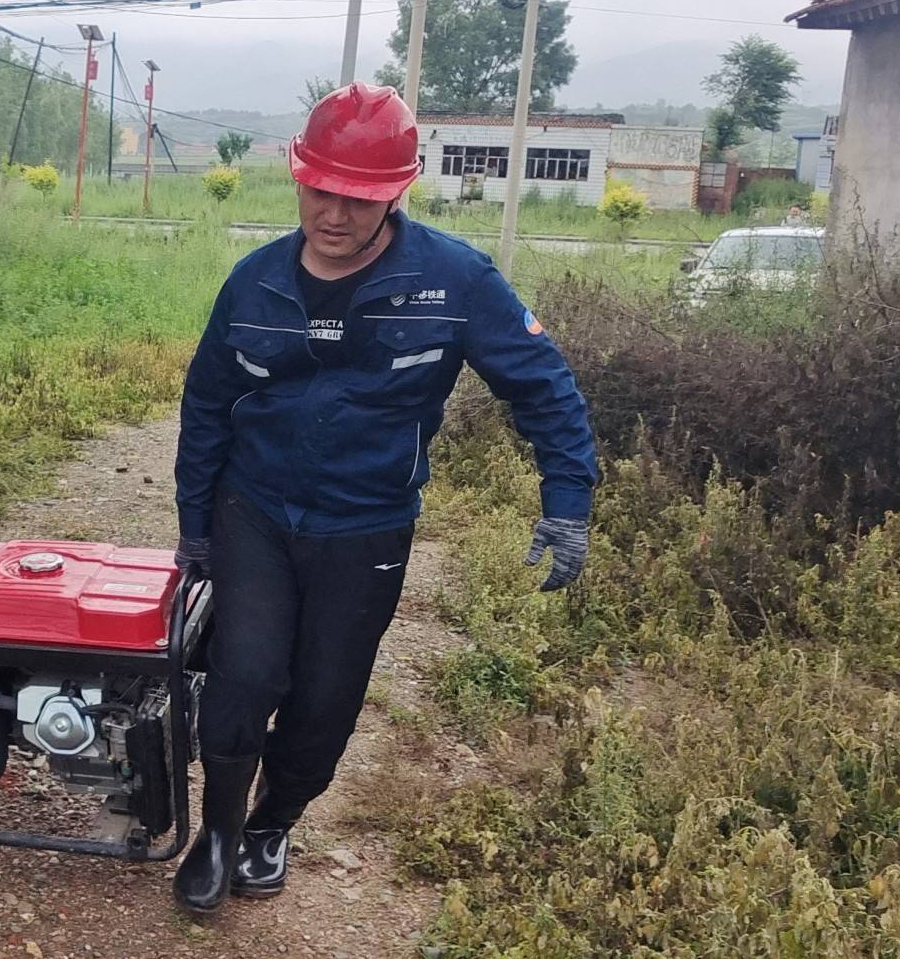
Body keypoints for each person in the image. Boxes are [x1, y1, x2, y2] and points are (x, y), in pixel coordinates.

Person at [170, 83, 597, 914]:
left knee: (325, 699)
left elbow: (542, 382)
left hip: (366, 524)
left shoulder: (455, 280)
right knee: (244, 675)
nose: (334, 213)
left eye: (358, 197)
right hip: (255, 510)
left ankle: (271, 823)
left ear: (396, 191)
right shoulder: (253, 284)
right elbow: (208, 401)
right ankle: (217, 831)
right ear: (298, 177)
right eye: (319, 189)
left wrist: (567, 496)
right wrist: (194, 525)